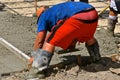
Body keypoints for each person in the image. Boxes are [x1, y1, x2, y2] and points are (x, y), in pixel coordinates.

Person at [31, 1, 103, 71]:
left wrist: (34, 57)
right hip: (92, 13)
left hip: (77, 16)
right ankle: (96, 59)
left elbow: (40, 40)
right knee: (88, 37)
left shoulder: (43, 16)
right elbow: (72, 31)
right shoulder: (57, 10)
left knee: (50, 41)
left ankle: (38, 70)